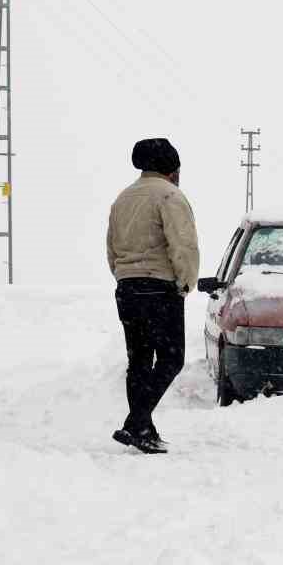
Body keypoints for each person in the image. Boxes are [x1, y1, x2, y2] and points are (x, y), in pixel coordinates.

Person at [106, 138, 199, 454]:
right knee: (172, 358)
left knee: (140, 360)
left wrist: (124, 277)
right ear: (171, 168)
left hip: (127, 288)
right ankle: (136, 422)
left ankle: (143, 428)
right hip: (159, 288)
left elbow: (111, 248)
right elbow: (182, 245)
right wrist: (185, 284)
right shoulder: (170, 196)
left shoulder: (123, 198)